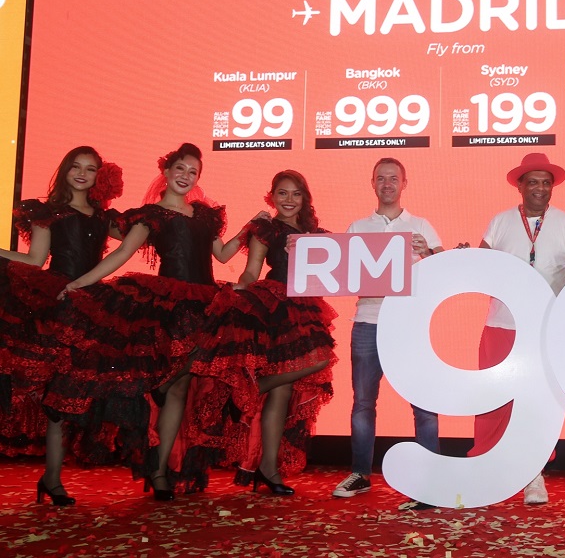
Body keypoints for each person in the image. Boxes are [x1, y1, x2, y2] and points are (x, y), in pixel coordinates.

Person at [59, 143, 253, 501]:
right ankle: (161, 471)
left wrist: (250, 228)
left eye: (193, 172)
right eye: (180, 169)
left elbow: (223, 255)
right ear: (166, 172)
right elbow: (121, 253)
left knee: (182, 382)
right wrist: (80, 282)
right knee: (177, 386)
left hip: (206, 304)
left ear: (197, 178)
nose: (185, 176)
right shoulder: (151, 216)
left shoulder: (206, 216)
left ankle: (163, 450)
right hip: (170, 307)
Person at [470, 152, 565, 505]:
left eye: (546, 182)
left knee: (539, 404)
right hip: (501, 325)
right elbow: (480, 265)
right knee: (493, 400)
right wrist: (466, 258)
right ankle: (487, 469)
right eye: (533, 182)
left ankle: (533, 475)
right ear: (520, 186)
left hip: (547, 329)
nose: (540, 188)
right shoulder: (499, 222)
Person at [0, 146, 123, 505]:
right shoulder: (48, 212)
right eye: (76, 167)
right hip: (56, 302)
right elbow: (35, 260)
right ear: (65, 170)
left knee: (76, 393)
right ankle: (52, 479)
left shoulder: (105, 217)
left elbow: (137, 239)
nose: (82, 174)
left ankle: (52, 478)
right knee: (56, 392)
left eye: (90, 169)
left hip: (93, 305)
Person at [206, 170, 335, 496]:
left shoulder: (314, 234)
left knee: (295, 381)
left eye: (296, 194)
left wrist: (309, 252)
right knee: (285, 386)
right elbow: (252, 271)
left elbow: (329, 273)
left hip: (304, 305)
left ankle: (267, 466)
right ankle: (269, 471)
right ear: (272, 196)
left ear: (304, 198)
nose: (289, 200)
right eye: (282, 193)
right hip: (275, 305)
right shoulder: (266, 228)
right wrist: (239, 292)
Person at [333, 157, 443, 498]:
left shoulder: (421, 225)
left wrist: (428, 254)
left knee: (423, 402)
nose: (387, 184)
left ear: (404, 183)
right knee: (363, 403)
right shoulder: (357, 227)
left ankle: (431, 476)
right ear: (373, 183)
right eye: (381, 178)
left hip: (408, 325)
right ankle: (360, 474)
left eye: (393, 178)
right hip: (367, 321)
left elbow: (447, 271)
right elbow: (341, 273)